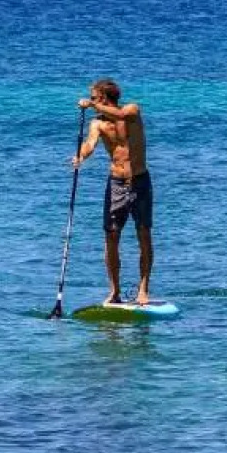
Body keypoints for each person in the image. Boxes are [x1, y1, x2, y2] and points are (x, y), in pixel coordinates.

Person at [73, 78, 155, 306]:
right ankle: (115, 291)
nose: (90, 100)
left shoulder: (131, 111)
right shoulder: (98, 124)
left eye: (94, 97)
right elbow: (90, 144)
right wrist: (81, 156)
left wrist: (91, 106)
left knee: (143, 234)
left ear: (104, 97)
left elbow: (119, 116)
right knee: (110, 237)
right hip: (116, 183)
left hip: (139, 181)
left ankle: (143, 289)